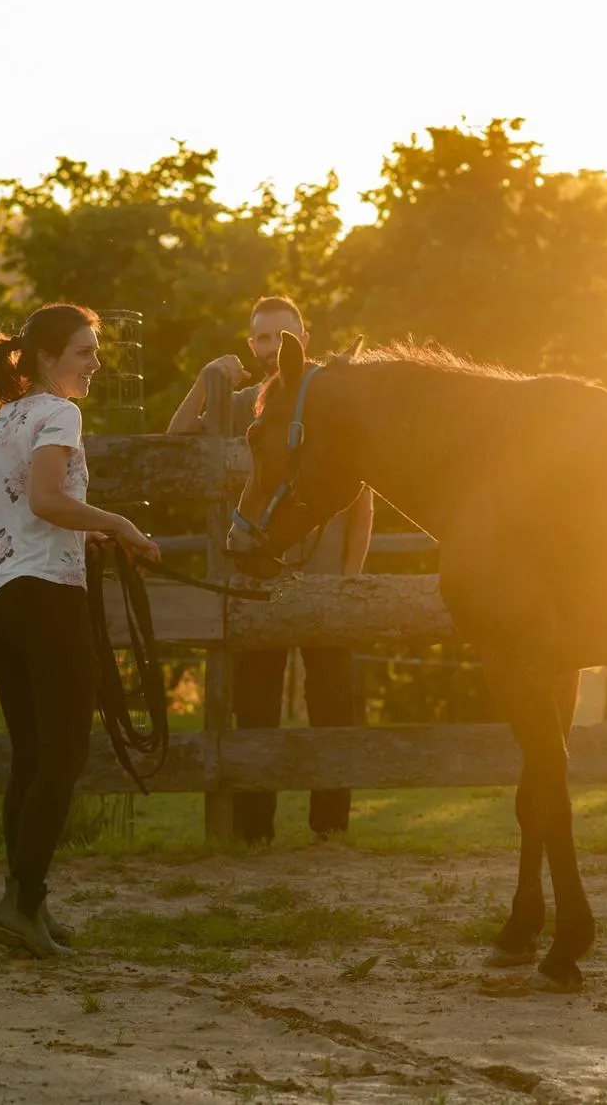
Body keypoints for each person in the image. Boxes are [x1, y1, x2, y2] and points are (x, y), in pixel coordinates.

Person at [0, 303, 161, 957]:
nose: (95, 363)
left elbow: (34, 510)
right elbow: (49, 499)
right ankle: (20, 903)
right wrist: (119, 525)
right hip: (45, 595)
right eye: (84, 351)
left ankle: (26, 901)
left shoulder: (6, 419)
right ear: (49, 357)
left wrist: (89, 536)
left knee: (31, 752)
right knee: (63, 751)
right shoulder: (58, 413)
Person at [168, 295, 374, 842]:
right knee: (255, 704)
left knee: (333, 704)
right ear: (251, 344)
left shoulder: (329, 402)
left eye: (282, 338)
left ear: (303, 340)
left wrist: (350, 580)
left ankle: (330, 825)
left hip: (326, 578)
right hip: (257, 579)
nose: (271, 349)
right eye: (262, 338)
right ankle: (253, 827)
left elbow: (362, 501)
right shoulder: (241, 403)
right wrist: (205, 380)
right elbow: (177, 437)